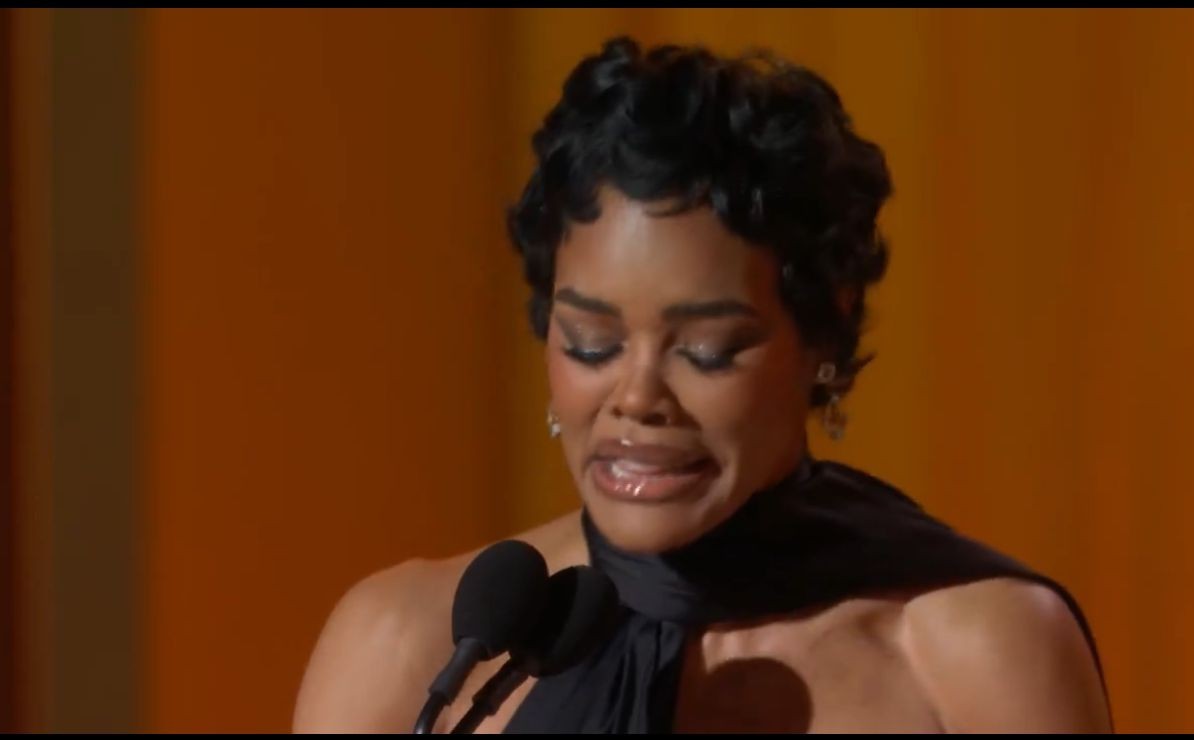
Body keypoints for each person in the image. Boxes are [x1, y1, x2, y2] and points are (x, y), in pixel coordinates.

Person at [292, 36, 1113, 734]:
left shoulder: (974, 656)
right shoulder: (410, 648)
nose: (637, 397)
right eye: (591, 343)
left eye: (707, 350)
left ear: (821, 335)